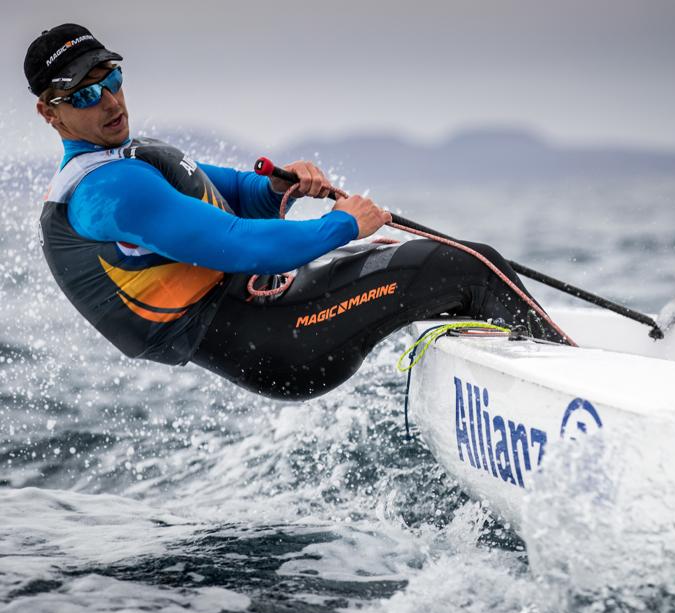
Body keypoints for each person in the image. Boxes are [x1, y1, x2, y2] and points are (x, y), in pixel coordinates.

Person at [26, 24, 565, 400]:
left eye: (113, 79)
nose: (112, 102)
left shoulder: (130, 157)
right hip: (279, 343)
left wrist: (281, 186)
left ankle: (513, 383)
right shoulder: (110, 191)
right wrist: (344, 224)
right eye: (86, 95)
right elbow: (239, 243)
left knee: (433, 265)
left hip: (276, 303)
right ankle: (570, 382)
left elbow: (236, 194)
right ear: (50, 113)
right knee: (464, 266)